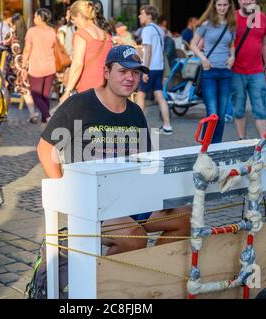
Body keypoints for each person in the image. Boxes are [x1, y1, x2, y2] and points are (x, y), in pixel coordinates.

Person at [37, 45, 191, 255]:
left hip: (130, 198)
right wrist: (64, 190)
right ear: (107, 73)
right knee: (134, 238)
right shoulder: (80, 104)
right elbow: (45, 148)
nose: (130, 78)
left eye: (135, 72)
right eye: (123, 71)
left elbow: (145, 162)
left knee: (183, 218)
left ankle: (149, 276)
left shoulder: (135, 112)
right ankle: (105, 285)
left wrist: (160, 194)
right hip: (91, 201)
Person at [190, 0, 236, 144]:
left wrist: (233, 56)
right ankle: (206, 145)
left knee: (221, 114)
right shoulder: (206, 24)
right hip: (209, 72)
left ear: (229, 6)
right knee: (212, 112)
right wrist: (203, 58)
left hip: (225, 73)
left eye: (225, 5)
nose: (222, 8)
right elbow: (192, 44)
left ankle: (216, 146)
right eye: (219, 5)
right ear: (214, 6)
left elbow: (232, 44)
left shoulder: (231, 25)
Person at [231, 0, 266, 140]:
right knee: (238, 109)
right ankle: (242, 140)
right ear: (238, 1)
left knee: (260, 109)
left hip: (257, 72)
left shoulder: (262, 17)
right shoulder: (232, 17)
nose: (247, 1)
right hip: (236, 71)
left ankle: (263, 142)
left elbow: (265, 43)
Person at [59, 0, 113, 105]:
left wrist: (67, 91)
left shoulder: (81, 34)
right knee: (99, 119)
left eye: (73, 19)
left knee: (79, 120)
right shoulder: (106, 35)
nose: (73, 22)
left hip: (87, 86)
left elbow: (78, 64)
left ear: (79, 15)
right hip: (105, 85)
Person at [135, 5, 173, 135]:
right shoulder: (159, 30)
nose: (140, 16)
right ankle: (167, 126)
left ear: (149, 16)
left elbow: (148, 50)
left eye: (142, 14)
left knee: (141, 95)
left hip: (150, 67)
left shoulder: (146, 30)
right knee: (160, 96)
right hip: (159, 67)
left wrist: (145, 70)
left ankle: (139, 127)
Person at [20, 9, 57, 125]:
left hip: (36, 67)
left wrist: (23, 67)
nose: (34, 18)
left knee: (36, 95)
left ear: (40, 18)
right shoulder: (52, 31)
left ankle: (47, 116)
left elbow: (26, 50)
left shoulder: (32, 31)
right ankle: (44, 120)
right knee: (45, 95)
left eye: (35, 16)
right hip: (50, 66)